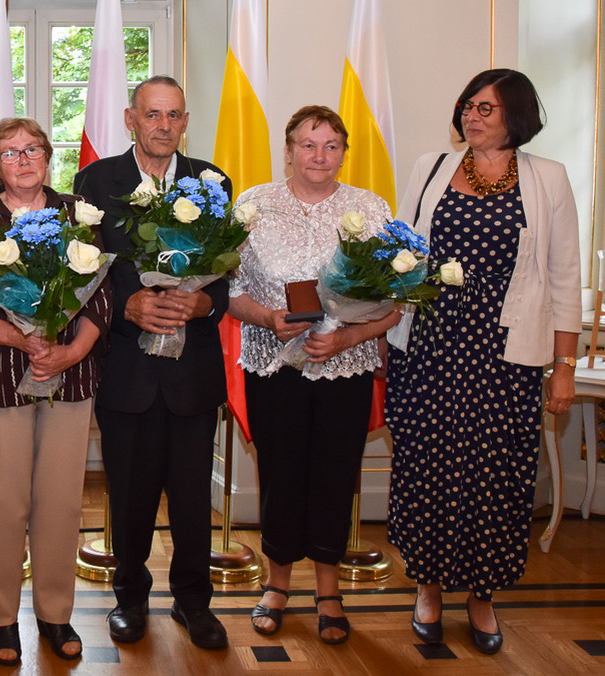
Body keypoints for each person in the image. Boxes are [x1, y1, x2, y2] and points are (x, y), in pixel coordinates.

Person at [386, 68, 579, 655]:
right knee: (426, 465)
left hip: (505, 355)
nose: (472, 116)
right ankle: (427, 587)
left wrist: (564, 365)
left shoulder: (548, 178)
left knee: (496, 475)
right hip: (429, 347)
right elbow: (401, 252)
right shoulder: (431, 168)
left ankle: (482, 595)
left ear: (515, 115)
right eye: (469, 106)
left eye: (487, 108)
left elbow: (565, 277)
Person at [0, 117, 111, 666]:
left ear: (47, 156)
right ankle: (3, 619)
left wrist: (68, 351)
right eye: (9, 153)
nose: (24, 159)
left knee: (59, 503)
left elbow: (102, 298)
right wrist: (24, 340)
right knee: (5, 504)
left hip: (70, 380)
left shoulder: (76, 215)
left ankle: (56, 615)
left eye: (32, 148)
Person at [227, 105, 400, 645]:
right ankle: (277, 585)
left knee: (333, 474)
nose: (319, 156)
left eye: (331, 145)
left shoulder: (370, 209)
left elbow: (397, 301)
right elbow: (225, 292)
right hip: (272, 363)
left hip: (343, 366)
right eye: (308, 144)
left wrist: (347, 337)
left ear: (344, 152)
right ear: (288, 150)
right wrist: (265, 317)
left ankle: (329, 591)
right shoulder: (253, 205)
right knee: (280, 474)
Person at [73, 75, 231, 650]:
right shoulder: (95, 180)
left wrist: (205, 301)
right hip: (127, 371)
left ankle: (194, 603)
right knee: (131, 494)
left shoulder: (212, 181)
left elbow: (227, 272)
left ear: (185, 121)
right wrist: (126, 306)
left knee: (192, 498)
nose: (163, 125)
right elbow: (85, 268)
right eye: (152, 114)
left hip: (192, 369)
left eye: (173, 115)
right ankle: (130, 599)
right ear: (130, 118)